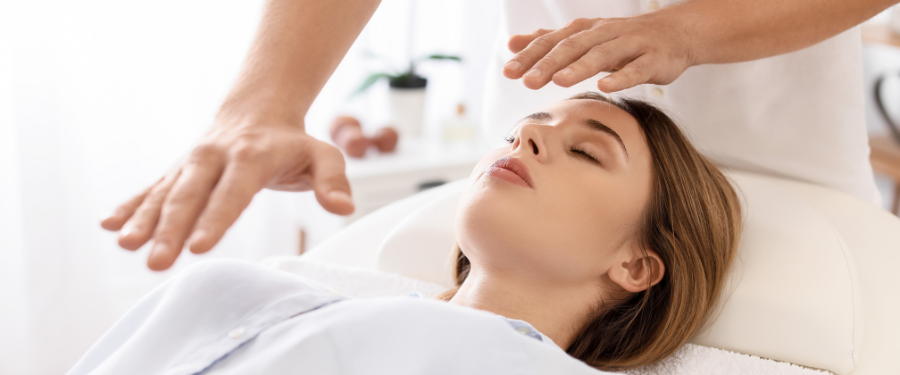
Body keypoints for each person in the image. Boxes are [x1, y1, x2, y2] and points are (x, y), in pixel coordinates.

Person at [99, 0, 893, 270]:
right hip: (547, 95)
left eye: (583, 145)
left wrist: (691, 30)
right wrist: (262, 103)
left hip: (786, 159)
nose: (535, 144)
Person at [71, 94, 741, 373]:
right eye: (519, 132)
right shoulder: (259, 290)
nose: (529, 134)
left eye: (587, 152)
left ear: (637, 264)